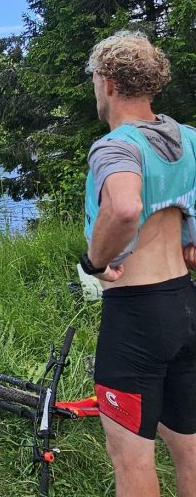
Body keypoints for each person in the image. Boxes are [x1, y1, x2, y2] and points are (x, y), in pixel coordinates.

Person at [82, 30, 196, 497]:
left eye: (95, 80)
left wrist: (96, 262)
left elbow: (125, 209)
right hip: (185, 306)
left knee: (131, 458)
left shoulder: (116, 146)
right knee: (189, 447)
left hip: (137, 320)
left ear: (108, 83)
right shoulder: (189, 139)